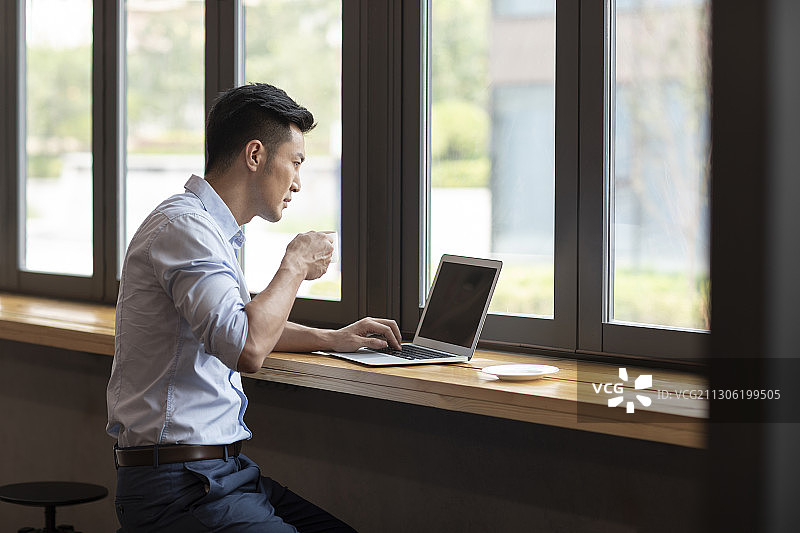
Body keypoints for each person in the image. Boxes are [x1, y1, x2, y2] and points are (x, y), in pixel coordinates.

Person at [106, 82, 402, 532]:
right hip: (180, 488)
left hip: (218, 475)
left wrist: (333, 339)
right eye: (296, 162)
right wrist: (296, 262)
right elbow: (247, 347)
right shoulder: (184, 227)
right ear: (255, 155)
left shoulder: (204, 229)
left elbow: (238, 324)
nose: (299, 182)